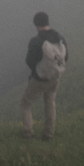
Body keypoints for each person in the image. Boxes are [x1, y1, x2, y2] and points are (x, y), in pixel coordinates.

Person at [20, 12, 67, 140]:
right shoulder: (60, 38)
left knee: (25, 103)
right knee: (50, 103)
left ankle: (29, 134)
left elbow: (29, 61)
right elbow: (65, 57)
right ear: (47, 22)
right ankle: (48, 134)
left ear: (36, 25)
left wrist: (36, 71)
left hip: (40, 78)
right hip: (56, 77)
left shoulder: (36, 41)